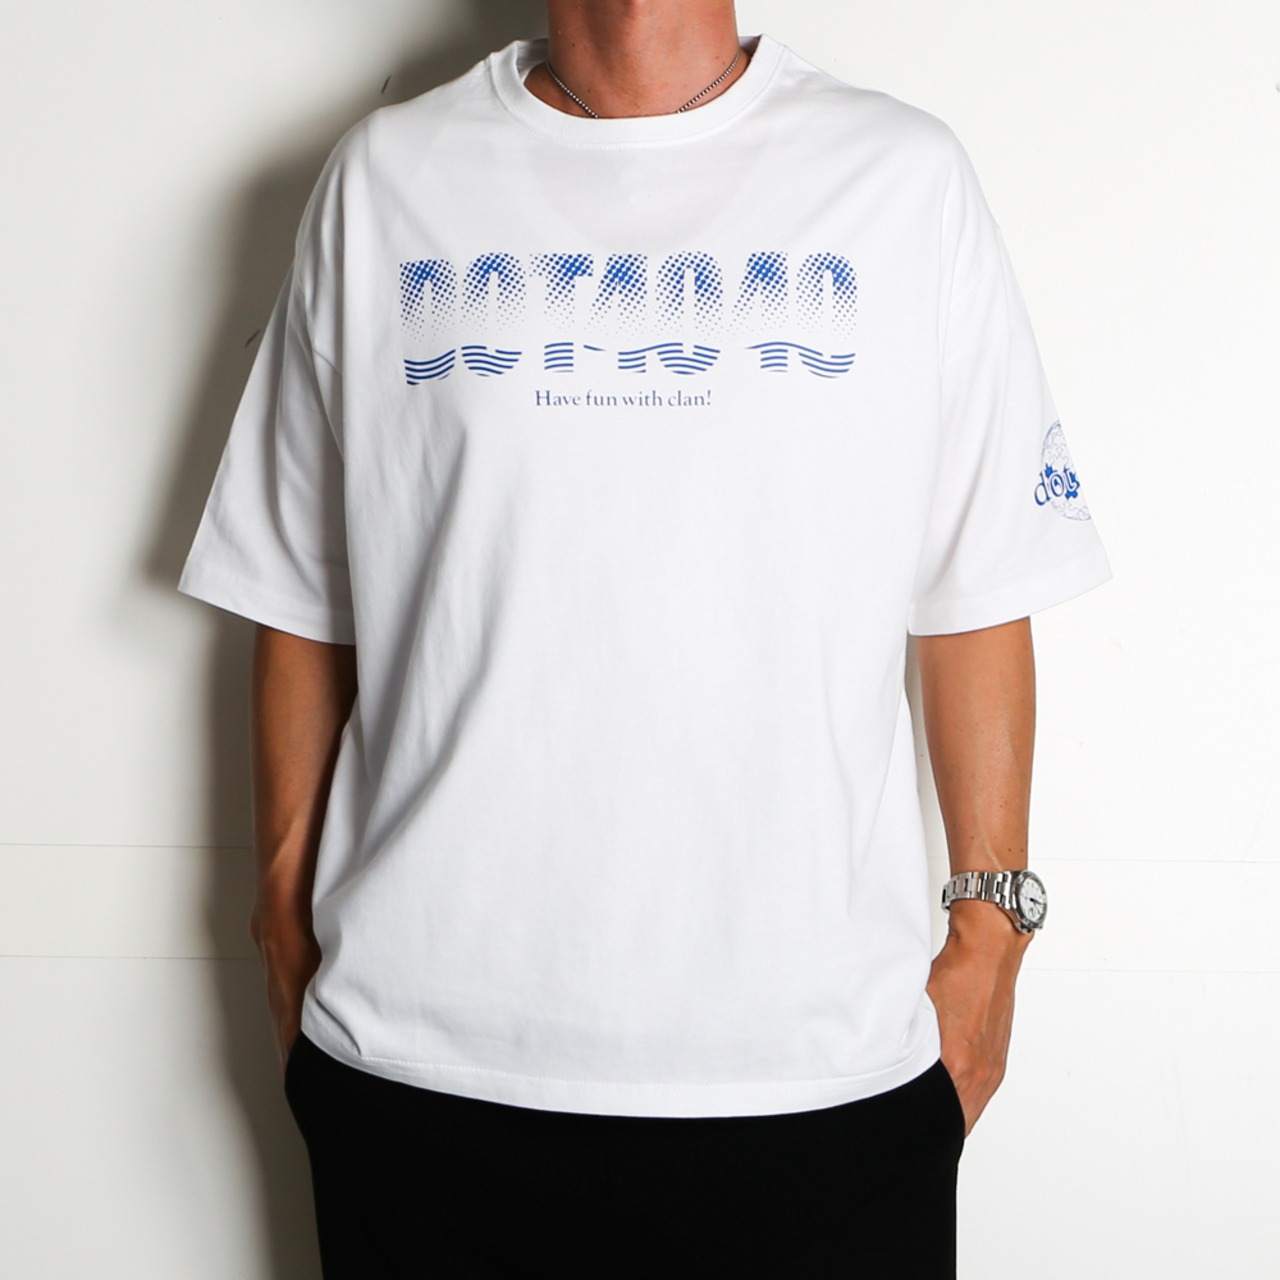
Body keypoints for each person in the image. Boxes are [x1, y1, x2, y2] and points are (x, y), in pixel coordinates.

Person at [177, 2, 1113, 1274]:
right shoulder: (389, 178)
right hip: (420, 1079)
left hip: (817, 1082)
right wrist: (282, 925)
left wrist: (990, 936)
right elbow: (299, 592)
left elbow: (978, 590)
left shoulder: (900, 180)